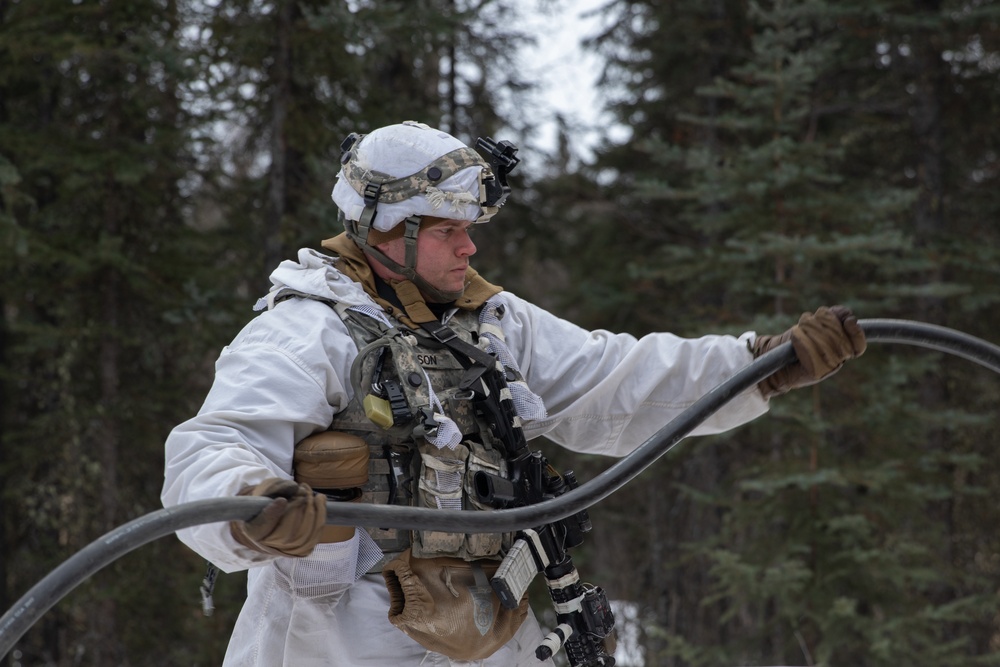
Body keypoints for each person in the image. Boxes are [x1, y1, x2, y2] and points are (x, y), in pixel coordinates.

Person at [160, 120, 867, 666]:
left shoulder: (488, 323)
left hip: (482, 632)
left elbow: (613, 379)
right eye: (449, 232)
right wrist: (252, 507)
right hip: (337, 642)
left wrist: (757, 367)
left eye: (471, 230)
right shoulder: (308, 330)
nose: (470, 250)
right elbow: (212, 445)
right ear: (386, 231)